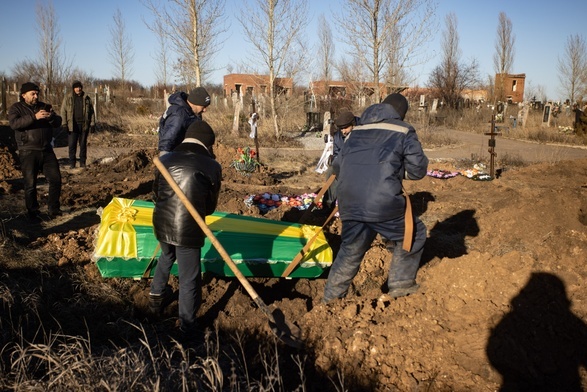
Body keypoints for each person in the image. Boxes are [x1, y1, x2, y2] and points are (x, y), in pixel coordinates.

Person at [323, 93, 429, 303]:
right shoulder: (404, 130)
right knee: (414, 233)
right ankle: (401, 285)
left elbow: (337, 167)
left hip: (349, 200)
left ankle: (330, 300)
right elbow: (417, 171)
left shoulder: (357, 131)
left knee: (350, 250)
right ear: (401, 113)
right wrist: (395, 170)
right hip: (381, 201)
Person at [150, 120, 222, 336]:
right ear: (207, 144)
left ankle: (155, 298)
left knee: (166, 256)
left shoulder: (165, 159)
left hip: (161, 222)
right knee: (190, 276)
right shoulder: (211, 166)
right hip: (188, 229)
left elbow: (155, 195)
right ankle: (188, 327)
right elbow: (209, 206)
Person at [8, 82, 63, 221]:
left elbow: (58, 122)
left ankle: (54, 209)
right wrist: (34, 117)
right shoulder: (16, 108)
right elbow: (15, 124)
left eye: (37, 93)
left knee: (56, 179)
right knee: (30, 184)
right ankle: (33, 213)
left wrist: (51, 117)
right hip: (28, 150)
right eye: (32, 93)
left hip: (46, 150)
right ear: (23, 95)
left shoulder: (43, 106)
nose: (35, 96)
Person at [157, 87, 211, 156]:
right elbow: (168, 139)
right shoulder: (178, 114)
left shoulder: (195, 113)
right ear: (195, 103)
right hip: (174, 154)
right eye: (203, 107)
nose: (205, 110)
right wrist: (164, 157)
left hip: (186, 151)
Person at [323, 110, 357, 208]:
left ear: (353, 124)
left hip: (359, 165)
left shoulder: (361, 133)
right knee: (331, 171)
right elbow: (336, 154)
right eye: (341, 129)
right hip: (344, 164)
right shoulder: (338, 136)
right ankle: (328, 204)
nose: (343, 131)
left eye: (345, 128)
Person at [60, 80, 95, 168]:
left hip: (84, 125)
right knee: (72, 145)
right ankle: (72, 163)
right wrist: (64, 124)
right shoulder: (68, 98)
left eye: (79, 87)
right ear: (73, 89)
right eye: (76, 87)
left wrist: (92, 124)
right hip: (72, 126)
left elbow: (92, 112)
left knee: (83, 145)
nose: (78, 89)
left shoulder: (87, 98)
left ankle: (82, 163)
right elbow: (63, 111)